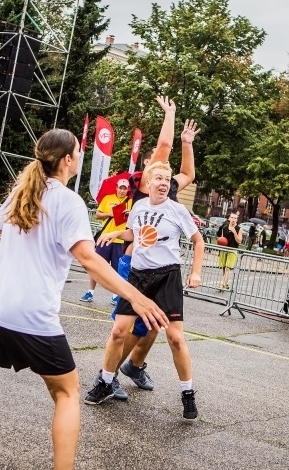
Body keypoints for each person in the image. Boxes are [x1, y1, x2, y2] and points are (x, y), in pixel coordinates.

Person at [0, 129, 168, 470]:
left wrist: (4, 267)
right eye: (77, 153)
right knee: (66, 394)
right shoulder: (68, 202)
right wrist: (136, 296)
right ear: (67, 160)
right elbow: (88, 258)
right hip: (33, 317)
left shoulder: (21, 192)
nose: (78, 158)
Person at [87, 161, 204, 421]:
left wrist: (195, 272)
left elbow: (198, 241)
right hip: (138, 276)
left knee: (175, 338)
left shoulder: (177, 210)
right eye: (159, 178)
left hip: (167, 276)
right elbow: (135, 233)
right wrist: (115, 234)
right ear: (148, 183)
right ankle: (105, 382)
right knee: (118, 331)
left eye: (167, 179)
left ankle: (187, 393)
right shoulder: (139, 207)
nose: (164, 183)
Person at [108, 101, 199, 397]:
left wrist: (188, 144)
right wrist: (170, 115)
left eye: (165, 174)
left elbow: (188, 173)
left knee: (154, 324)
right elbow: (164, 145)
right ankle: (108, 376)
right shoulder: (145, 187)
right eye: (156, 168)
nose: (162, 174)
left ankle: (135, 365)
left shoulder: (169, 188)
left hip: (162, 269)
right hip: (137, 265)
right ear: (148, 170)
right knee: (132, 327)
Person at [80, 178, 132, 304]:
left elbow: (135, 220)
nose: (122, 190)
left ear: (127, 190)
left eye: (125, 188)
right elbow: (97, 215)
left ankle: (116, 295)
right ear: (116, 188)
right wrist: (110, 214)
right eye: (120, 188)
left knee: (117, 270)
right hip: (105, 238)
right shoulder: (108, 198)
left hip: (120, 241)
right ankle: (90, 292)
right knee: (96, 266)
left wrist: (130, 214)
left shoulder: (131, 202)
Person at [216, 211, 242, 289]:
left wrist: (234, 233)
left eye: (235, 218)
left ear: (237, 220)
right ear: (229, 218)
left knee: (228, 268)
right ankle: (226, 282)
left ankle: (222, 284)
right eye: (232, 217)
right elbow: (221, 239)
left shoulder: (239, 229)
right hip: (224, 249)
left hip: (232, 250)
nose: (233, 219)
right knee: (224, 267)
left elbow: (239, 241)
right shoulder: (224, 228)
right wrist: (219, 241)